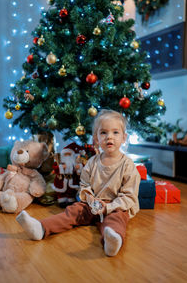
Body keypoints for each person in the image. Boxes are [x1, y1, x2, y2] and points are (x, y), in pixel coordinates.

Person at [16, 109, 141, 257]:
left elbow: (129, 197)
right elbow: (84, 185)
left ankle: (113, 240)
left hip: (116, 206)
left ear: (124, 137)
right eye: (103, 133)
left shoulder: (128, 166)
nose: (109, 137)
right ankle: (41, 228)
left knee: (116, 219)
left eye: (115, 132)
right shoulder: (92, 162)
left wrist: (108, 207)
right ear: (96, 139)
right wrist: (90, 198)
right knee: (73, 211)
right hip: (92, 204)